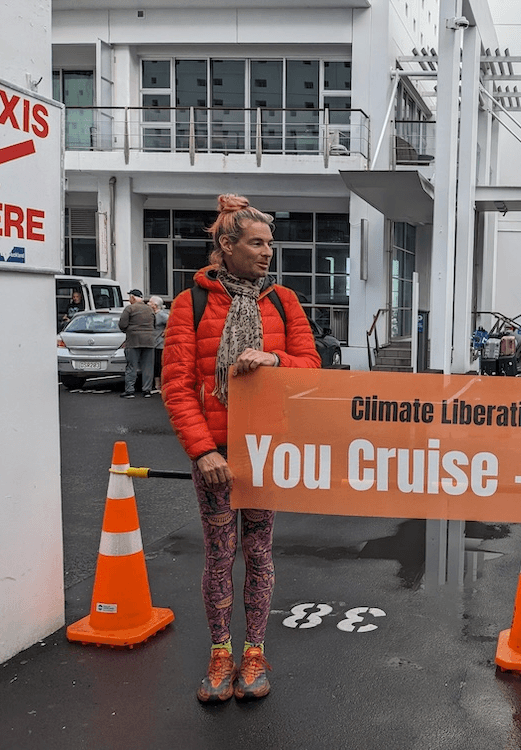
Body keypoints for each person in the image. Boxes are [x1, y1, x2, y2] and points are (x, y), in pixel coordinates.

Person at [162, 194, 321, 704]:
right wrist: (203, 450)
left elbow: (312, 368)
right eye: (256, 243)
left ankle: (254, 653)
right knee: (218, 555)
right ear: (225, 246)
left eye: (270, 244)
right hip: (216, 455)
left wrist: (274, 358)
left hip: (264, 450)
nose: (267, 253)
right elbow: (178, 384)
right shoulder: (191, 303)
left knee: (258, 552)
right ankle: (220, 654)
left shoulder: (283, 301)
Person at [118, 289, 156, 398]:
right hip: (149, 341)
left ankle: (130, 391)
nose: (129, 299)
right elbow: (154, 324)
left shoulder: (129, 308)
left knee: (131, 366)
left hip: (133, 341)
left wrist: (129, 331)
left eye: (130, 297)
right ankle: (147, 390)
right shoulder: (150, 309)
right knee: (148, 366)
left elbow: (122, 324)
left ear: (133, 298)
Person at [148, 295, 169, 394]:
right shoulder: (152, 314)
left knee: (159, 364)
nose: (148, 304)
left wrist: (165, 331)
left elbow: (171, 321)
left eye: (150, 302)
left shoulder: (161, 315)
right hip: (154, 343)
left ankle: (159, 385)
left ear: (155, 305)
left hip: (159, 343)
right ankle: (157, 385)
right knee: (155, 365)